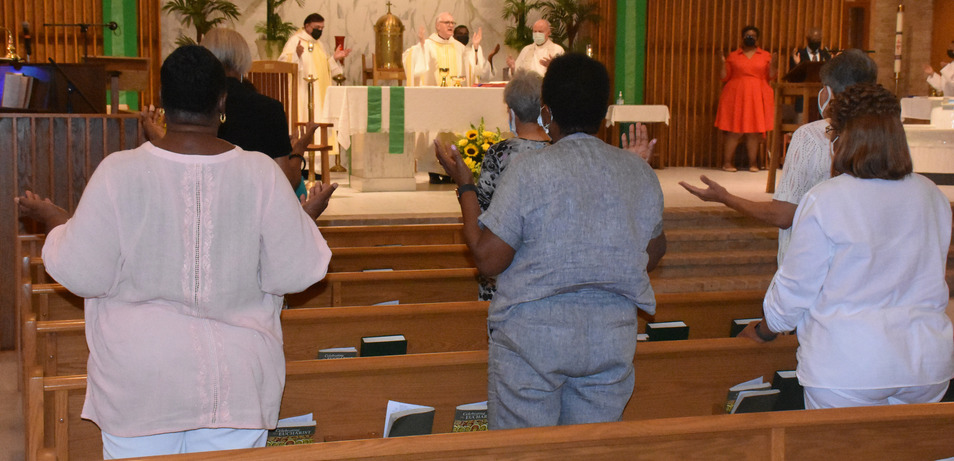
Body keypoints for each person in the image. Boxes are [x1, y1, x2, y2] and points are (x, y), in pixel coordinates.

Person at [16, 45, 332, 458]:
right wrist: (299, 223)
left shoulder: (120, 171)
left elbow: (82, 272)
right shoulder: (261, 174)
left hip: (140, 383)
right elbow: (298, 270)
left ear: (162, 101)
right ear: (222, 102)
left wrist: (57, 222)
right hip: (235, 385)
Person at [435, 53, 666, 429]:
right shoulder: (637, 171)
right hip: (609, 338)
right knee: (591, 454)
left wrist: (464, 185)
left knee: (525, 454)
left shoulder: (528, 169)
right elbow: (652, 254)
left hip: (533, 340)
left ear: (546, 111)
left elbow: (487, 258)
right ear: (605, 113)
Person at [738, 82, 954, 410]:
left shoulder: (826, 199)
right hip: (925, 364)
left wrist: (766, 329)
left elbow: (796, 287)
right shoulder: (931, 194)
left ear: (843, 138)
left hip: (848, 365)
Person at [680, 49, 878, 263]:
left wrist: (725, 197)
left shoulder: (811, 136)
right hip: (864, 265)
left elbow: (783, 215)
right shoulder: (887, 136)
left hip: (815, 267)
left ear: (828, 92)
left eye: (822, 87)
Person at [200, 27, 337, 202]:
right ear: (243, 59)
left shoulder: (196, 105)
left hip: (207, 203)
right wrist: (299, 149)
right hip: (253, 208)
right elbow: (286, 182)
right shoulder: (268, 108)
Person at [474, 70, 550, 301]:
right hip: (547, 268)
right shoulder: (560, 149)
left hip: (504, 266)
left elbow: (483, 210)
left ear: (512, 111)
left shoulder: (499, 153)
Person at [715, 25, 777, 172]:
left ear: (757, 38)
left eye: (753, 35)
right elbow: (724, 77)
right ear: (742, 37)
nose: (750, 37)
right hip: (736, 96)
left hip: (756, 96)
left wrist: (774, 64)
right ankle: (727, 162)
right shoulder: (734, 55)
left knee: (754, 132)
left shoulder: (765, 55)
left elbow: (771, 76)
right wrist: (722, 63)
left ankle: (753, 163)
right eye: (747, 35)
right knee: (734, 131)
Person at [279, 13, 351, 123]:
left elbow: (323, 68)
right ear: (307, 26)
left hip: (319, 92)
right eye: (317, 27)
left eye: (322, 28)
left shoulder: (319, 45)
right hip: (302, 91)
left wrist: (334, 58)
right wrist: (296, 55)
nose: (320, 30)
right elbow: (282, 64)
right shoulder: (295, 41)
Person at [402, 12, 491, 87]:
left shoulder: (460, 47)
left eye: (452, 23)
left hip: (456, 95)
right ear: (438, 26)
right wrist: (420, 47)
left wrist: (475, 48)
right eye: (447, 22)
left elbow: (474, 67)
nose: (451, 25)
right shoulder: (428, 45)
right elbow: (410, 58)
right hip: (433, 95)